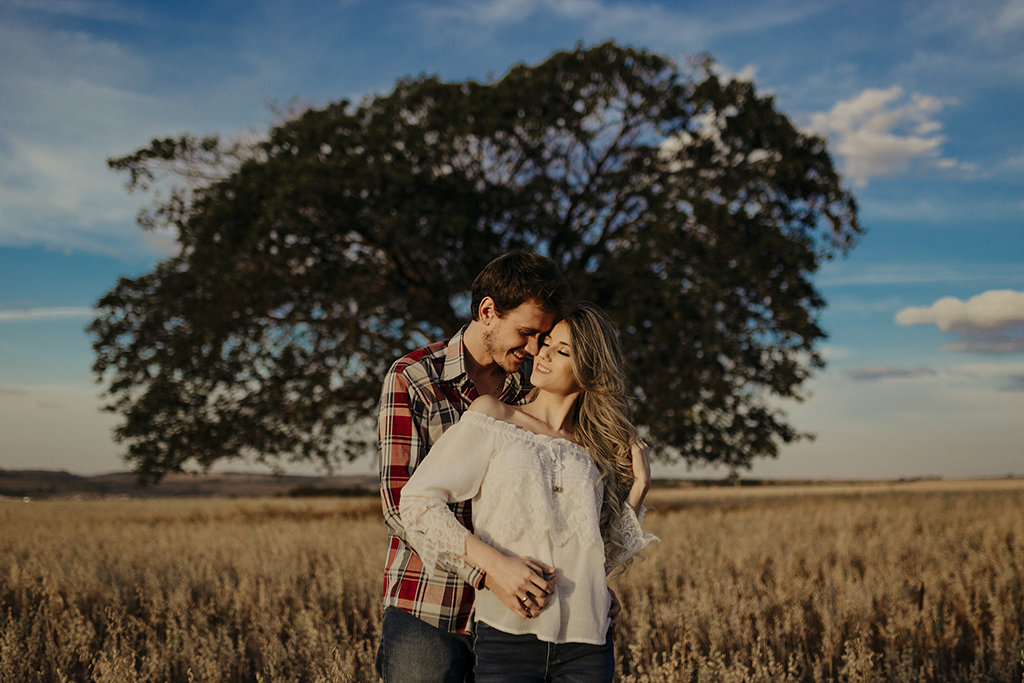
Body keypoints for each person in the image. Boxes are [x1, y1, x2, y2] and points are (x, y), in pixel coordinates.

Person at [399, 302, 656, 683]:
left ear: (589, 370)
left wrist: (638, 489)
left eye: (562, 351)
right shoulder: (494, 418)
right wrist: (494, 565)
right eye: (546, 343)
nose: (543, 354)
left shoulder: (592, 450)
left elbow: (598, 555)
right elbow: (418, 502)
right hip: (508, 638)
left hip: (589, 644)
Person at [377, 251, 575, 682]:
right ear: (488, 311)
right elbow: (399, 506)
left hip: (518, 623)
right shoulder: (413, 378)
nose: (534, 349)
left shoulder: (532, 391)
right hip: (430, 611)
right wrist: (489, 571)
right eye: (526, 333)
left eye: (543, 338)